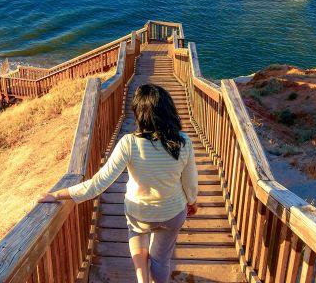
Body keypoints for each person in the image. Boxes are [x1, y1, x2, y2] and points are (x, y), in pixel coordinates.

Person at [39, 83, 198, 283]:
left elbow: (98, 184)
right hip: (173, 212)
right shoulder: (183, 142)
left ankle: (141, 277)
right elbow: (191, 184)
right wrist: (192, 202)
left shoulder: (129, 143)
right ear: (169, 110)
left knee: (137, 231)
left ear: (139, 114)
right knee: (161, 259)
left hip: (140, 212)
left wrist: (57, 195)